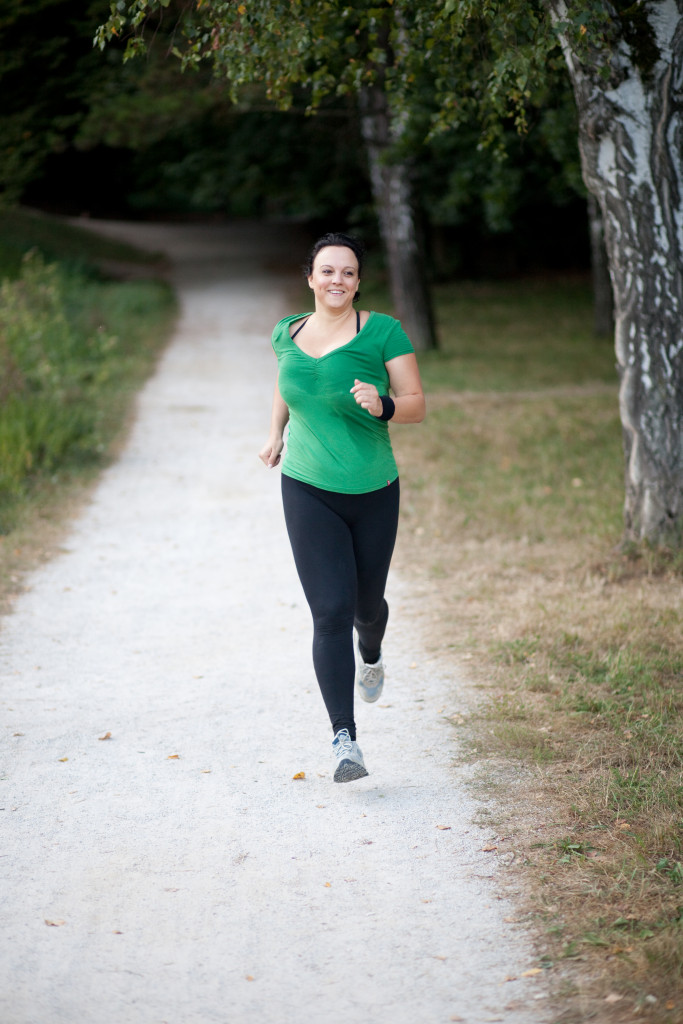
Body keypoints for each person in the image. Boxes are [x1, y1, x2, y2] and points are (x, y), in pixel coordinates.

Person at [259, 232, 425, 783]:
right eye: (327, 271)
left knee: (364, 606)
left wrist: (383, 405)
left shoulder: (382, 332)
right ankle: (344, 742)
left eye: (348, 272)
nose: (337, 280)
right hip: (306, 485)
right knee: (329, 612)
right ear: (310, 277)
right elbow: (288, 382)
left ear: (358, 281)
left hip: (373, 489)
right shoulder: (287, 332)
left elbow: (417, 405)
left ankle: (371, 649)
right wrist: (275, 433)